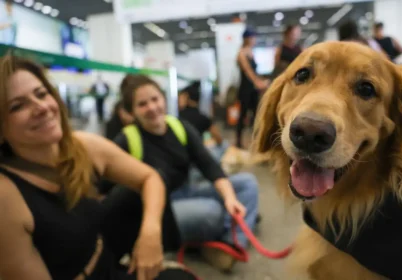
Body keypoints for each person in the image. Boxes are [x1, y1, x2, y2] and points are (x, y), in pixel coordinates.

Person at [0, 54, 167, 280]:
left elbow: (150, 178)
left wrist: (150, 232)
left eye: (42, 94)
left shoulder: (82, 146)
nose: (41, 107)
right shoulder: (6, 196)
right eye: (17, 106)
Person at [110, 74, 259, 271]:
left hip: (186, 191)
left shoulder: (179, 127)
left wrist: (230, 198)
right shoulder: (126, 140)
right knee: (212, 210)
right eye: (142, 104)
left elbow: (210, 167)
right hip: (160, 211)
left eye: (155, 99)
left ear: (163, 99)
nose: (152, 108)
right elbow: (106, 191)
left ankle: (229, 245)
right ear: (132, 112)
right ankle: (213, 237)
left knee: (247, 183)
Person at [236, 28, 268, 148]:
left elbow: (254, 71)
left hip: (253, 89)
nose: (254, 40)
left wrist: (261, 81)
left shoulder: (251, 52)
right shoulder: (241, 53)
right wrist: (257, 82)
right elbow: (248, 71)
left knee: (256, 115)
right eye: (252, 37)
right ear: (247, 38)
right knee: (243, 115)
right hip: (245, 88)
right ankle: (238, 142)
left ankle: (257, 141)